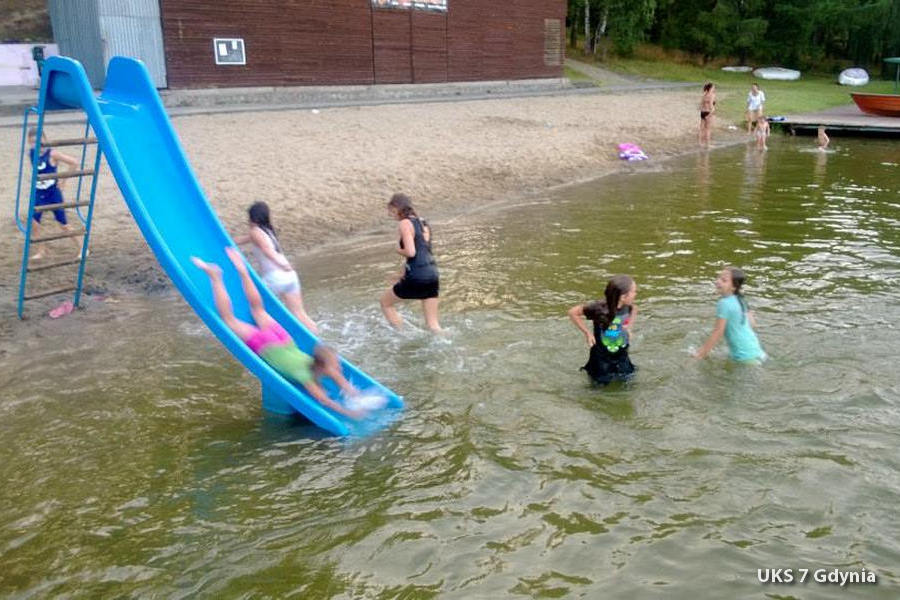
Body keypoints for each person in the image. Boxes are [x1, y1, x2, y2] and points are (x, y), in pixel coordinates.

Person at [192, 247, 364, 419]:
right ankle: (215, 276)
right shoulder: (305, 376)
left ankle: (243, 271)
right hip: (268, 344)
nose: (339, 367)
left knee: (258, 309)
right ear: (323, 366)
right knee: (229, 319)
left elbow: (339, 377)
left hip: (284, 340)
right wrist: (349, 412)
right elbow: (324, 400)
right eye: (337, 365)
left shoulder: (319, 364)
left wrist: (355, 393)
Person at [233, 201, 318, 334]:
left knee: (254, 307)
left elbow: (267, 250)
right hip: (290, 276)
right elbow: (239, 240)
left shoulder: (255, 232)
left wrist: (283, 265)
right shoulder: (267, 231)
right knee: (299, 313)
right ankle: (316, 338)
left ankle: (257, 334)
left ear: (252, 217)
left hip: (275, 277)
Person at [380, 193, 441, 332]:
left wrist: (398, 249)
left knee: (385, 303)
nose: (391, 215)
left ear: (397, 208)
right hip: (432, 275)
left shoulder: (405, 223)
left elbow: (411, 252)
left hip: (417, 276)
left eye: (392, 212)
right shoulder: (423, 222)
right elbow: (422, 252)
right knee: (433, 325)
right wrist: (401, 274)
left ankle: (401, 334)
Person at [568, 275, 638, 384]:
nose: (636, 294)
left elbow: (635, 310)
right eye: (634, 292)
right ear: (623, 297)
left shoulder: (628, 306)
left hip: (621, 354)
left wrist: (629, 328)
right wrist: (587, 333)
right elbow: (573, 312)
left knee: (628, 381)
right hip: (601, 356)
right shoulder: (598, 308)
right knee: (599, 385)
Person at [27, 127, 81, 260]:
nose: (37, 145)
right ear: (29, 142)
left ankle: (82, 247)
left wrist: (63, 181)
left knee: (63, 224)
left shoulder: (52, 154)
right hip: (39, 193)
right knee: (34, 222)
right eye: (33, 142)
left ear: (45, 140)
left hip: (53, 193)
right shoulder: (31, 153)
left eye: (39, 141)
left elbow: (74, 163)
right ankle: (41, 251)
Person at [693, 267, 765, 362]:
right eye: (718, 277)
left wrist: (700, 354)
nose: (718, 281)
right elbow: (753, 324)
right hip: (756, 350)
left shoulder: (724, 303)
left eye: (724, 280)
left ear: (734, 287)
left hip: (743, 356)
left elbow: (718, 332)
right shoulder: (741, 299)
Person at [699, 82, 716, 147]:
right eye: (713, 87)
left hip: (702, 112)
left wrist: (702, 110)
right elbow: (711, 104)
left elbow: (701, 104)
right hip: (708, 112)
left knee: (701, 129)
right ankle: (708, 144)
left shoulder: (704, 94)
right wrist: (712, 112)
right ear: (710, 88)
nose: (714, 88)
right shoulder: (712, 95)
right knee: (708, 129)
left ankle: (700, 143)